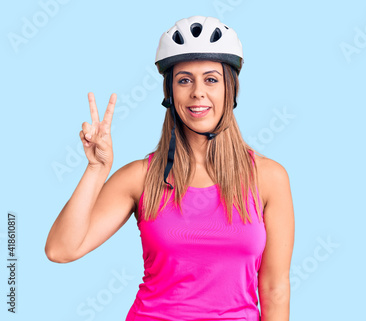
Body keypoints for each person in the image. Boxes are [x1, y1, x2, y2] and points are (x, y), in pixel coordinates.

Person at [45, 16, 295, 321]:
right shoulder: (141, 178)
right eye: (184, 80)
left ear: (230, 90)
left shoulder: (268, 178)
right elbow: (61, 250)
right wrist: (97, 169)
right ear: (170, 92)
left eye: (211, 79)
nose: (198, 92)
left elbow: (274, 288)